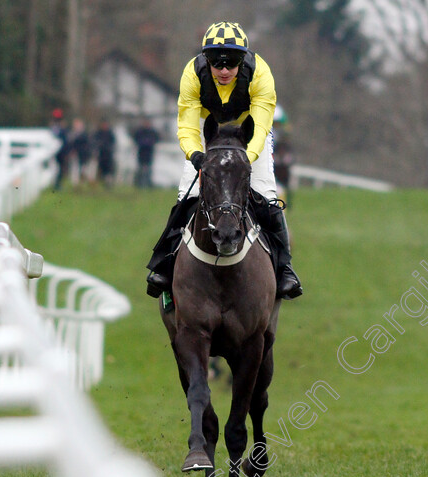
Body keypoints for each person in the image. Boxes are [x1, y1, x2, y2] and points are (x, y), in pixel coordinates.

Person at [146, 21, 303, 300]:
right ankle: (164, 264)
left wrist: (246, 158)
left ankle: (285, 270)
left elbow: (262, 125)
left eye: (231, 62)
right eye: (216, 63)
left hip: (248, 132)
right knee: (188, 195)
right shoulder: (192, 73)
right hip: (209, 131)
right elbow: (187, 125)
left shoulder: (260, 73)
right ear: (206, 59)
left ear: (242, 60)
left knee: (267, 194)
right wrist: (195, 155)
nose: (223, 70)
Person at [133, 118, 159, 188]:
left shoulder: (152, 132)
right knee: (140, 169)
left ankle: (148, 183)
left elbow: (156, 139)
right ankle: (139, 183)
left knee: (149, 169)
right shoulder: (140, 132)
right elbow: (136, 139)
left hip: (149, 153)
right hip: (141, 153)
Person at [50, 109, 71, 191]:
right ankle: (57, 184)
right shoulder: (57, 128)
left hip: (61, 151)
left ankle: (57, 184)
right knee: (59, 168)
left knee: (60, 168)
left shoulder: (56, 127)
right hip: (59, 151)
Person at [93, 120, 116, 188]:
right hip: (101, 155)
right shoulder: (98, 133)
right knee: (101, 169)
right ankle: (101, 181)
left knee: (108, 170)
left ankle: (108, 183)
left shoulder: (110, 133)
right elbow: (95, 142)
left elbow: (113, 143)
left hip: (108, 155)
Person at [69, 118, 91, 185]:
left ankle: (82, 181)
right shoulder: (72, 134)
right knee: (75, 168)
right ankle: (75, 183)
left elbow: (87, 144)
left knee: (83, 169)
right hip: (75, 154)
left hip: (83, 154)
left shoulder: (84, 135)